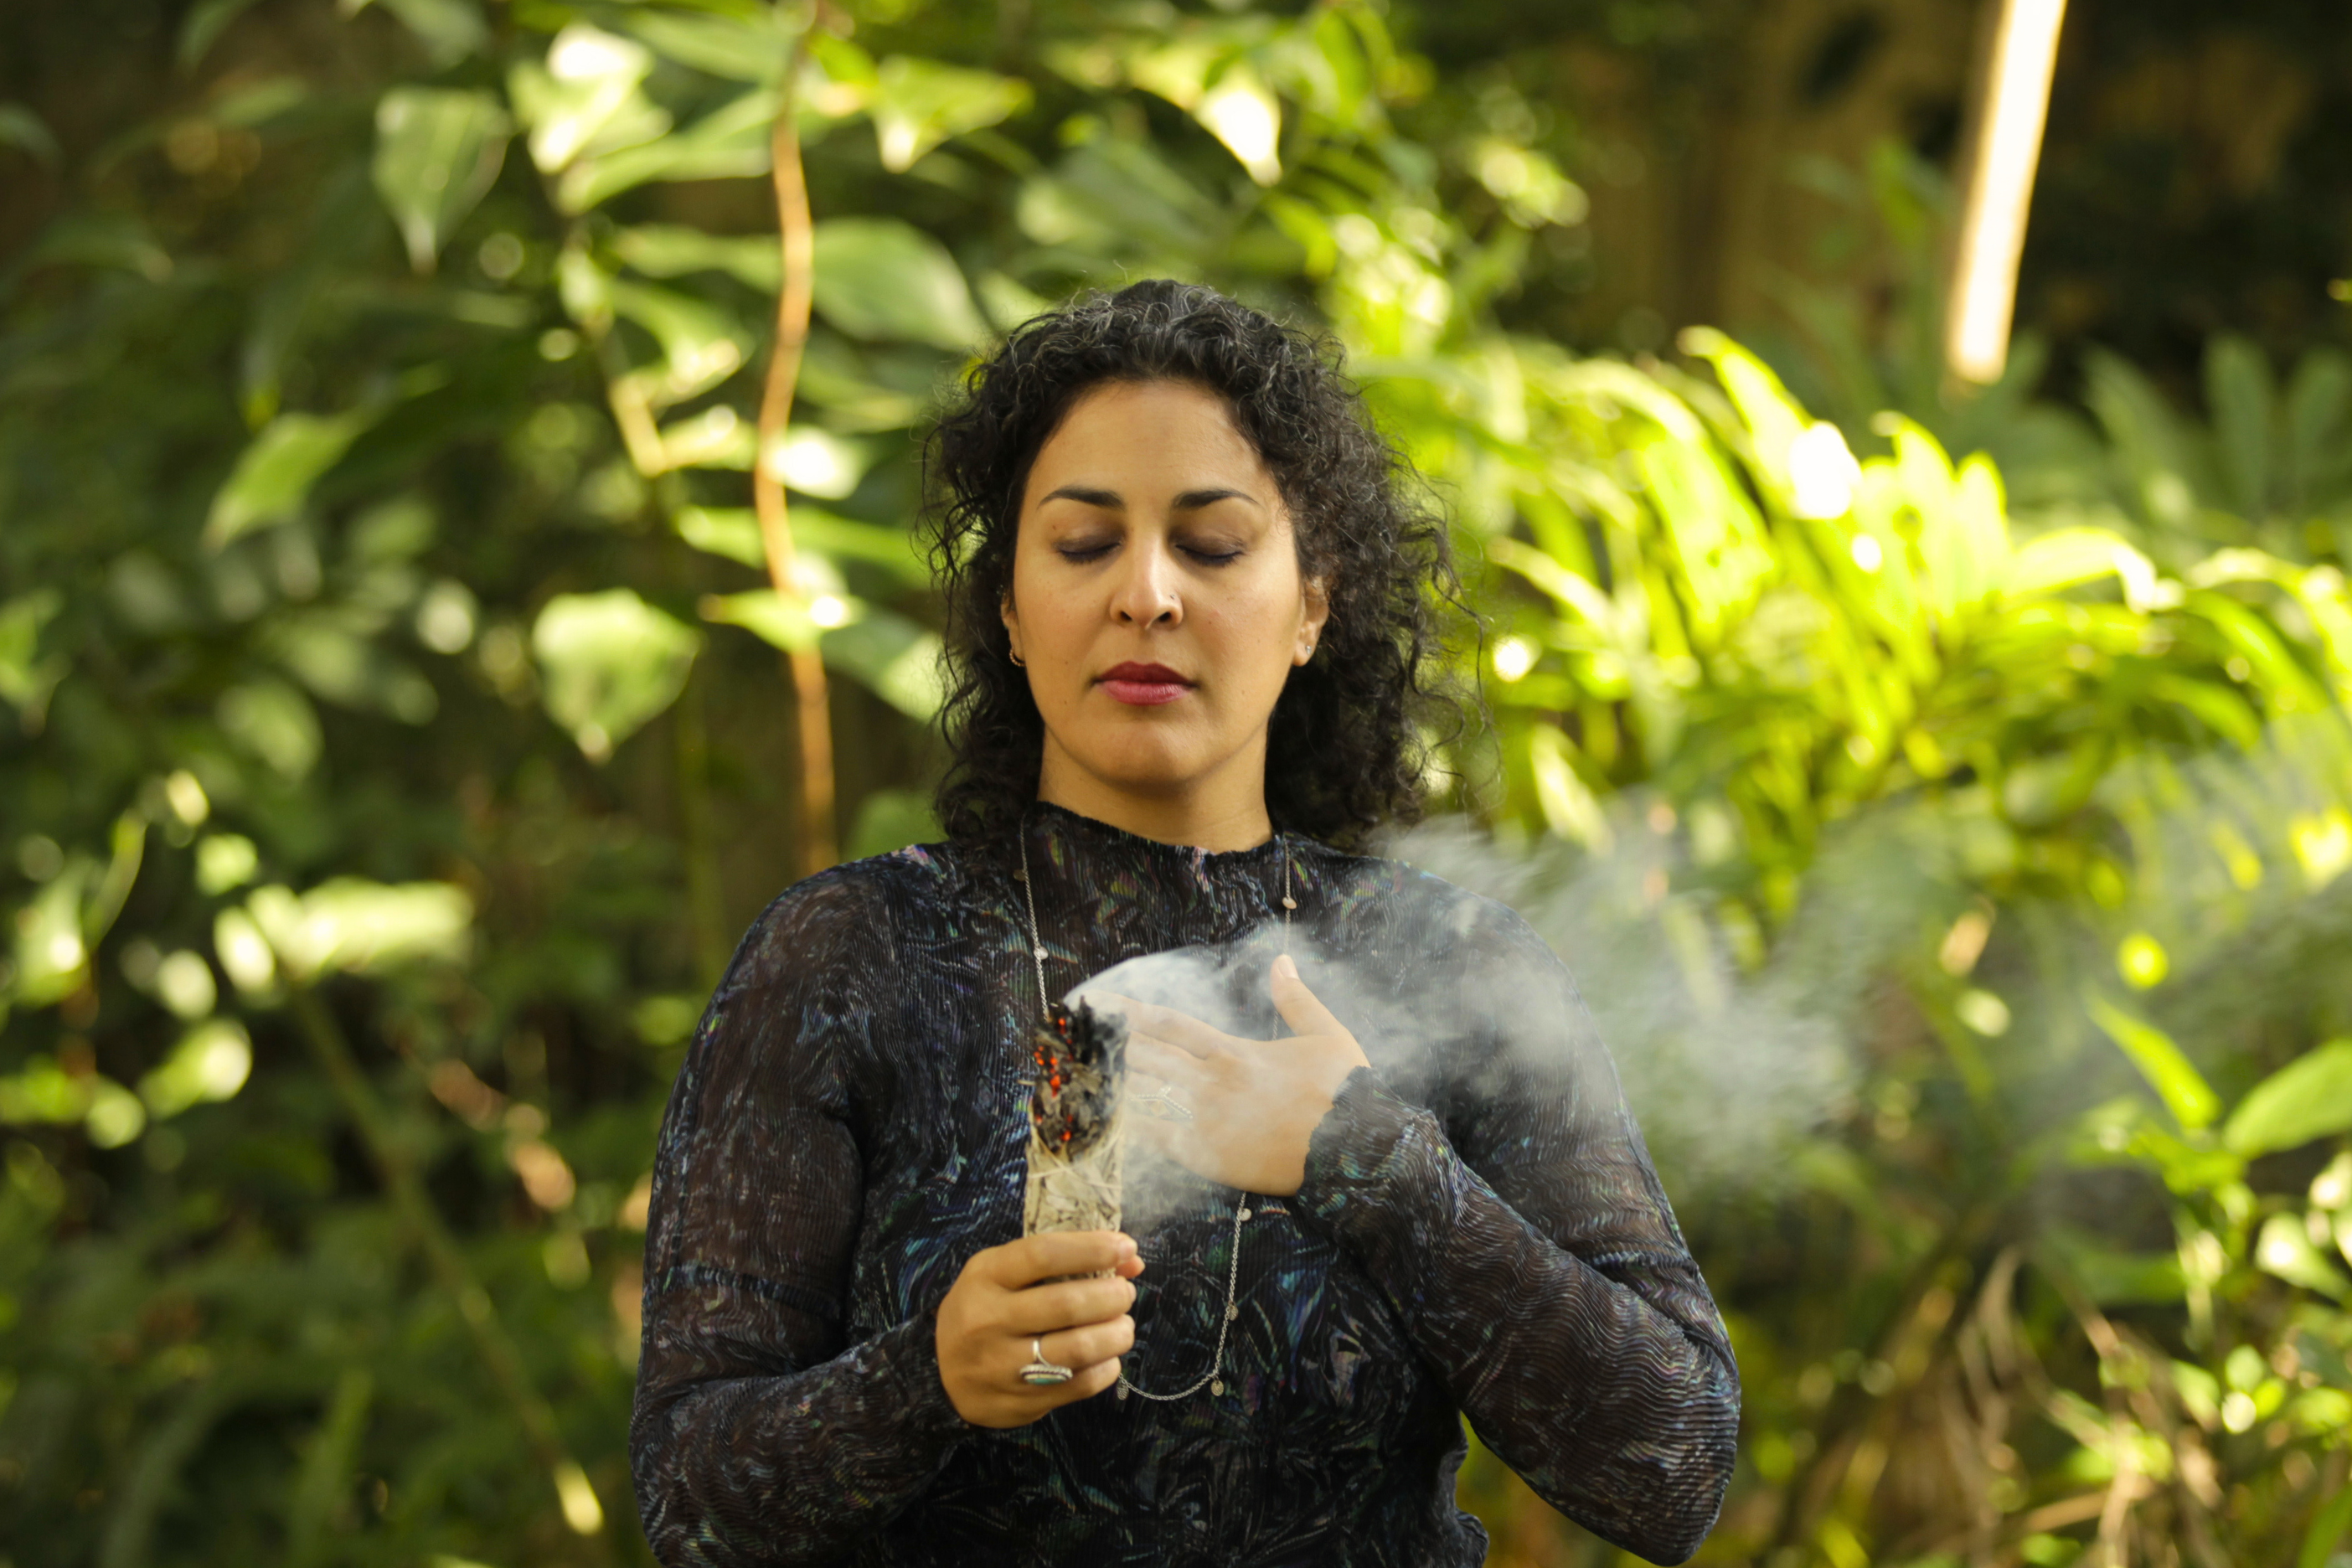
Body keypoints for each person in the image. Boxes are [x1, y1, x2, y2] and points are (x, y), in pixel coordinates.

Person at [629, 281, 1738, 1566]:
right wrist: (922, 1381)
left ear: (1314, 603)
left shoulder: (1449, 966)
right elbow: (685, 1502)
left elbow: (1676, 1466)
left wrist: (1364, 1157)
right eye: (1084, 543)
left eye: (1212, 545)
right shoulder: (850, 957)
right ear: (1007, 604)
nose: (1146, 593)